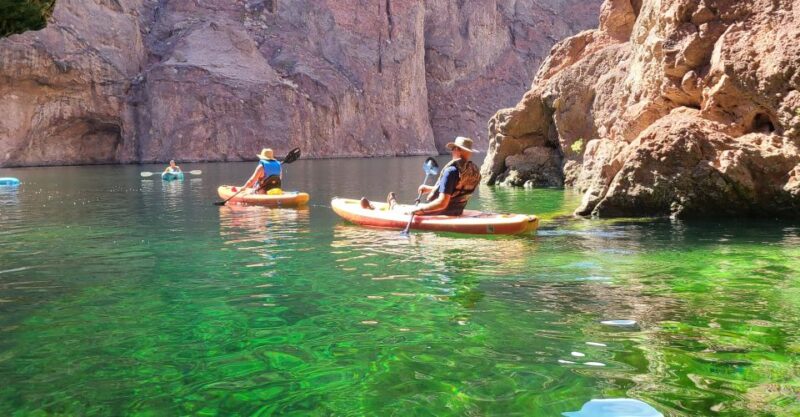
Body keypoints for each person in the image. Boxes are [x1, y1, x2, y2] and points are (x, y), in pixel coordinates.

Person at [361, 136, 482, 216]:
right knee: (409, 207)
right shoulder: (473, 171)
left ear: (458, 150)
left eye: (454, 148)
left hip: (440, 212)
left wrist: (418, 210)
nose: (452, 151)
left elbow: (442, 203)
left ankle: (378, 208)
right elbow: (456, 191)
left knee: (399, 211)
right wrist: (430, 189)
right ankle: (392, 203)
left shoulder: (451, 171)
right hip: (456, 211)